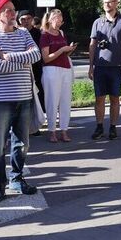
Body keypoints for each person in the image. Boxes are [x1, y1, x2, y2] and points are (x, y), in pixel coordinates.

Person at [0, 0, 40, 205]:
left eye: (13, 10)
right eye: (8, 11)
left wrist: (9, 56)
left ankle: (17, 179)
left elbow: (36, 55)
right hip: (1, 99)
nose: (13, 14)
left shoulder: (24, 33)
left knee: (22, 144)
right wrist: (23, 59)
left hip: (24, 97)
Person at [88, 0, 121, 140]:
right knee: (99, 98)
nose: (107, 5)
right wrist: (90, 66)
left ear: (116, 3)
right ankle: (99, 126)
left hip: (117, 66)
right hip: (100, 66)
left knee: (115, 98)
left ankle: (113, 127)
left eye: (109, 2)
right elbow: (92, 45)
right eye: (104, 3)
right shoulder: (97, 22)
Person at [39, 9, 76, 143]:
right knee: (52, 101)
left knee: (65, 101)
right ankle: (52, 131)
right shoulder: (45, 35)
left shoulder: (61, 33)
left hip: (65, 68)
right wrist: (62, 49)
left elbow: (64, 55)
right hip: (51, 70)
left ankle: (64, 130)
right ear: (50, 20)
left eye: (61, 21)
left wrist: (69, 50)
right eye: (57, 20)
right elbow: (46, 58)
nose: (59, 23)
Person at [17, 10, 44, 128]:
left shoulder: (38, 33)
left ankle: (35, 123)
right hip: (22, 69)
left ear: (32, 19)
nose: (26, 21)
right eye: (23, 19)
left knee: (36, 96)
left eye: (28, 18)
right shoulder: (16, 32)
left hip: (36, 68)